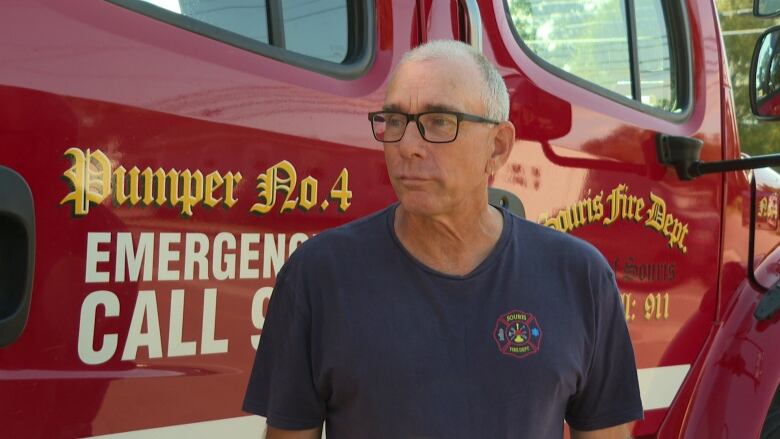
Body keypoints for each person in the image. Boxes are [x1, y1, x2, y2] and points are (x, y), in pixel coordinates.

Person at [243, 40, 643, 439]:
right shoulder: (317, 276)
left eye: (439, 122)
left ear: (498, 146)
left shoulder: (579, 277)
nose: (407, 147)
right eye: (395, 121)